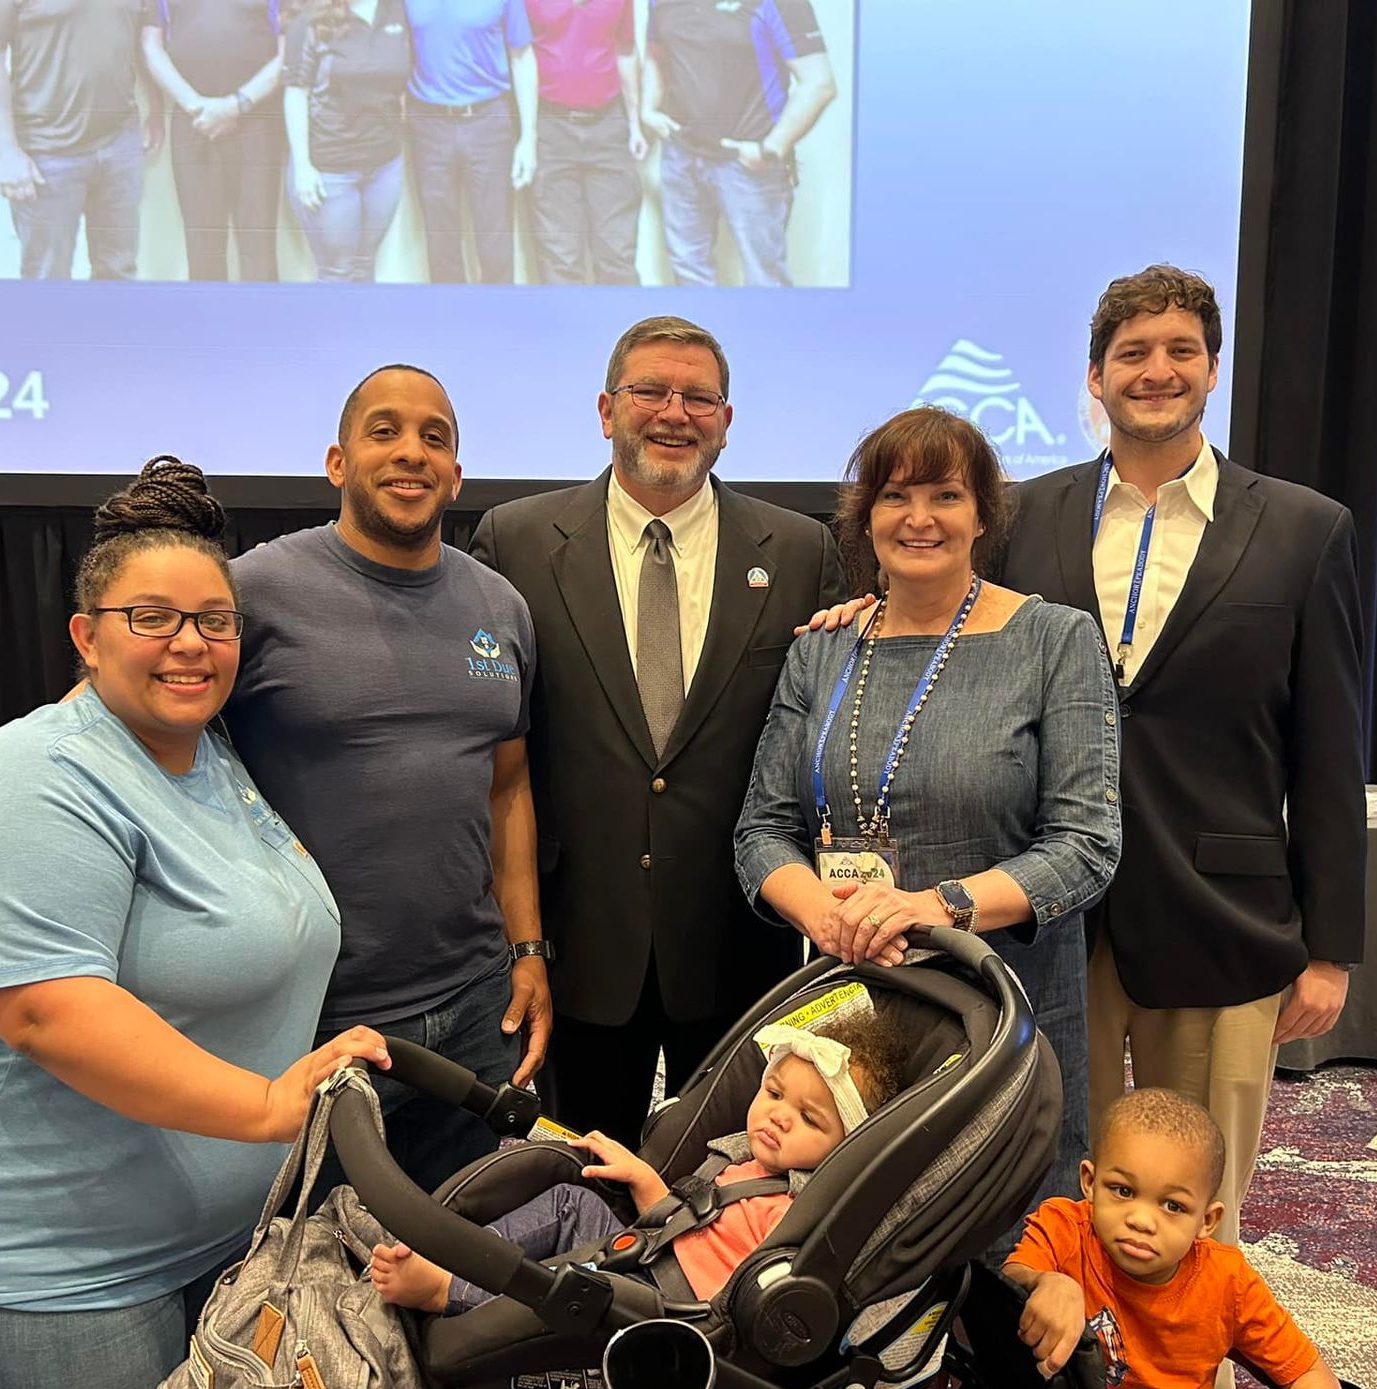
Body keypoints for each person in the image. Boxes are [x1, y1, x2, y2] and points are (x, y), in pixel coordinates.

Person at [807, 266, 1367, 1286]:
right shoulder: (1030, 515)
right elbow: (944, 612)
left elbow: (1331, 749)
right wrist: (865, 613)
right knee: (1045, 1184)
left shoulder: (1303, 529)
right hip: (1042, 919)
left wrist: (1331, 948)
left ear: (1212, 368)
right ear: (1096, 377)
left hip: (1218, 915)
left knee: (1187, 1207)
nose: (1157, 371)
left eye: (1180, 351)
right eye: (1133, 354)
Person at [0, 458, 390, 1389]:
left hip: (205, 1247)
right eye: (151, 617)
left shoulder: (205, 753)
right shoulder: (28, 773)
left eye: (214, 621)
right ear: (86, 635)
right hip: (43, 1277)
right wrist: (271, 1104)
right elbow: (43, 1007)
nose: (189, 644)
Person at [468, 315, 845, 1145]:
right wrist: (520, 940)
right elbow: (499, 757)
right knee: (573, 1187)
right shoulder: (517, 542)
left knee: (730, 1182)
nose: (675, 413)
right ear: (607, 410)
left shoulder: (800, 551)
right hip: (578, 946)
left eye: (699, 397)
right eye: (651, 392)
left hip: (738, 946)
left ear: (727, 420)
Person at [736, 405, 1120, 1213]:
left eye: (945, 495)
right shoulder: (821, 650)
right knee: (852, 1235)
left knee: (1005, 1246)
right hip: (852, 1000)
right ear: (865, 516)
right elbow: (762, 831)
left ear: (983, 514)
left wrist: (932, 909)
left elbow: (1087, 845)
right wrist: (826, 915)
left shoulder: (1054, 640)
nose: (919, 519)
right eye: (895, 496)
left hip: (1006, 1003)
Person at [226, 364, 552, 1190]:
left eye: (433, 438)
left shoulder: (501, 607)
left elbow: (508, 788)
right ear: (338, 462)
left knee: (462, 1255)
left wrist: (527, 949)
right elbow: (110, 725)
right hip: (319, 1015)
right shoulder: (254, 591)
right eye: (384, 431)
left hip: (479, 1004)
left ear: (456, 475)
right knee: (313, 1272)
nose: (411, 453)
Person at [370, 1011, 908, 1312]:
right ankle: (458, 1255)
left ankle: (450, 1291)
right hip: (655, 1253)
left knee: (574, 1279)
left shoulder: (800, 1208)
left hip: (678, 1311)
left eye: (809, 1119)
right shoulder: (738, 1158)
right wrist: (648, 1182)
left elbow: (746, 1289)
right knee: (571, 1202)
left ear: (846, 1147)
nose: (778, 1117)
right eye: (772, 1093)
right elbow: (693, 1223)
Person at [972, 1088, 1344, 1389]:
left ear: (1206, 1221)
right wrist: (1046, 1282)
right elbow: (1007, 1286)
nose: (1142, 1220)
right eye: (1123, 1191)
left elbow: (1310, 1377)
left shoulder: (1227, 1282)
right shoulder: (1064, 1229)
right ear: (1090, 1181)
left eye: (1173, 1206)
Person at [641, 0, 836, 286]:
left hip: (748, 165)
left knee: (764, 278)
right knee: (688, 272)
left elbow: (819, 83)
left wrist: (770, 149)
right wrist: (648, 110)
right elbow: (656, 55)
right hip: (681, 157)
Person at [0, 0, 151, 280]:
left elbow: (141, 39)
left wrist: (156, 111)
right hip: (46, 155)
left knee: (119, 270)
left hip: (120, 142)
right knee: (47, 278)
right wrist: (6, 152)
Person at [142, 0, 286, 282]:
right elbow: (150, 45)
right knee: (202, 250)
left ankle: (264, 325)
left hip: (258, 122)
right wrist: (195, 104)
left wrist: (237, 104)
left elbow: (288, 53)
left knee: (259, 250)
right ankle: (209, 325)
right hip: (194, 121)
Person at [404, 0, 537, 284]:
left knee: (495, 239)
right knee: (440, 240)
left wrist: (529, 137)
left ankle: (499, 319)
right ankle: (449, 321)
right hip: (429, 124)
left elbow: (522, 56)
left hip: (488, 120)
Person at [281, 0, 412, 282]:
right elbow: (295, 94)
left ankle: (363, 326)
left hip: (384, 166)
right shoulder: (310, 21)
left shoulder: (398, 12)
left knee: (365, 263)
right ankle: (332, 327)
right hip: (328, 169)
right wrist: (303, 167)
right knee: (337, 270)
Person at [524, 0, 645, 285]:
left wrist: (634, 123)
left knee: (617, 252)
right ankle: (565, 327)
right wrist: (527, 135)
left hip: (608, 125)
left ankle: (626, 326)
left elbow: (625, 52)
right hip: (550, 125)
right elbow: (520, 55)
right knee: (560, 257)